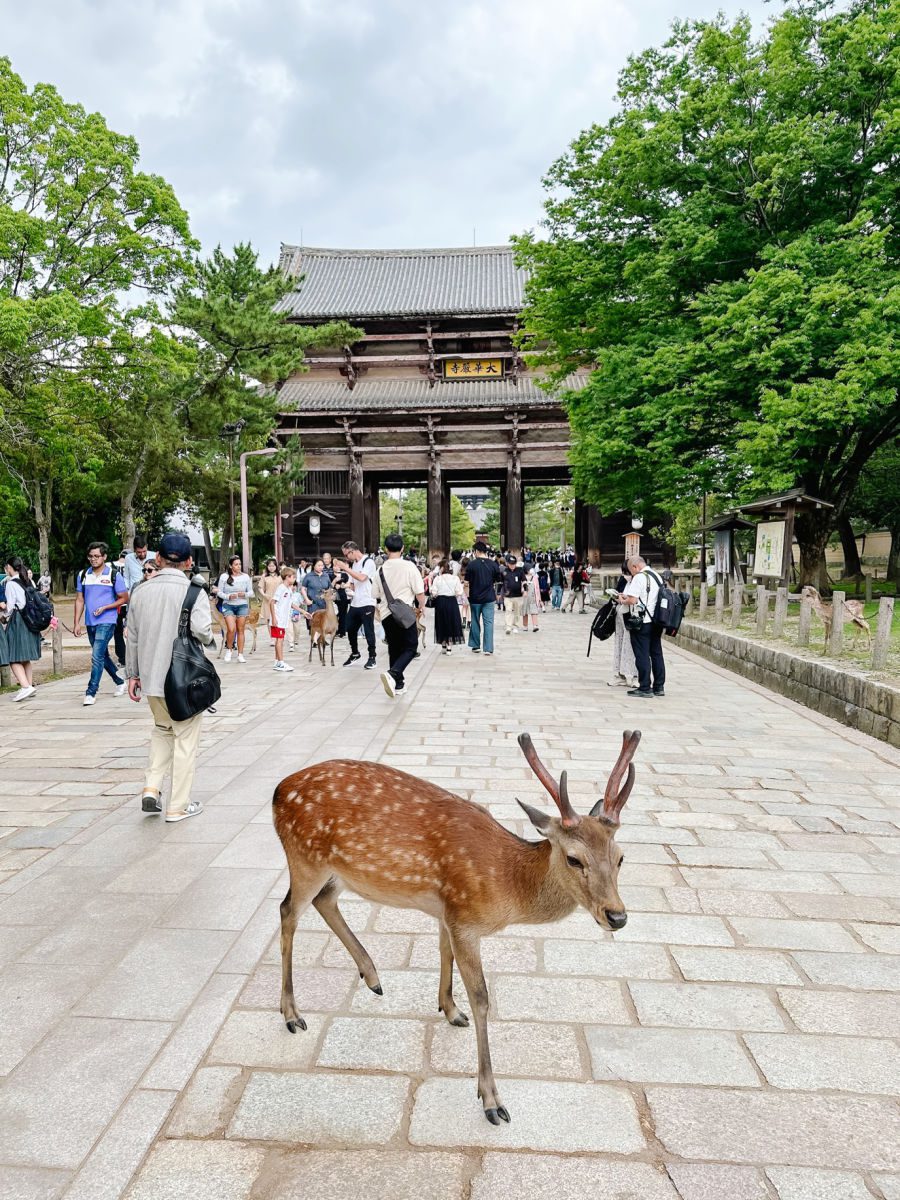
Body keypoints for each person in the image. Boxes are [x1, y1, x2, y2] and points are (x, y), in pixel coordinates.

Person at [126, 532, 213, 822]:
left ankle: (151, 787)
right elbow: (203, 632)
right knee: (185, 739)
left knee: (162, 730)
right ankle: (178, 805)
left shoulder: (140, 592)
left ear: (158, 559)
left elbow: (133, 638)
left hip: (150, 677)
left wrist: (132, 675)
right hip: (183, 681)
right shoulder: (194, 592)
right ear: (189, 561)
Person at [74, 542, 129, 706]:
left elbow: (124, 598)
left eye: (97, 556)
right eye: (91, 556)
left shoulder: (113, 575)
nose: (93, 559)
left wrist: (106, 607)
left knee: (96, 655)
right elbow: (79, 599)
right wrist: (76, 622)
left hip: (108, 620)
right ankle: (119, 681)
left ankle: (91, 692)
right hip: (90, 622)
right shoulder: (83, 575)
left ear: (104, 557)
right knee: (102, 656)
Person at [373, 532, 425, 698]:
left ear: (386, 548)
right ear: (402, 548)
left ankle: (398, 684)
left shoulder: (380, 570)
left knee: (394, 648)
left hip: (387, 614)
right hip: (405, 613)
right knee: (410, 647)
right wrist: (422, 606)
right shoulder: (409, 567)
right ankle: (393, 673)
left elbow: (376, 594)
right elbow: (419, 591)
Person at [617, 554, 665, 698]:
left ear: (635, 566)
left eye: (631, 570)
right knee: (656, 654)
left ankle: (645, 687)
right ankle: (659, 686)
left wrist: (621, 599)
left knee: (642, 654)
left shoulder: (639, 577)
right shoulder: (657, 576)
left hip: (642, 622)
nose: (631, 574)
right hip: (656, 621)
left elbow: (632, 600)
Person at [3, 556, 42, 702]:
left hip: (18, 621)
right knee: (25, 657)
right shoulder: (28, 580)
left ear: (9, 567)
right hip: (31, 621)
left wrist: (3, 614)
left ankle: (26, 687)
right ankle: (28, 685)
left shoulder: (11, 584)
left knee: (12, 656)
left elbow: (10, 607)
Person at [336, 540, 377, 670]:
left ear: (352, 551)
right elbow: (354, 583)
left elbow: (361, 578)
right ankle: (355, 653)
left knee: (368, 630)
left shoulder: (368, 562)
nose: (346, 558)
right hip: (355, 602)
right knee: (350, 628)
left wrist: (345, 568)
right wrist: (345, 586)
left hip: (367, 601)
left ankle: (372, 657)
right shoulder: (354, 565)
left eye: (346, 555)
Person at [463, 541, 500, 655]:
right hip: (489, 597)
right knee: (488, 623)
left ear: (476, 551)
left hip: (475, 597)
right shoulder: (494, 564)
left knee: (475, 621)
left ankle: (475, 645)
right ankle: (488, 648)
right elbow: (497, 581)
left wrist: (467, 596)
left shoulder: (472, 565)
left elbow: (466, 583)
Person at [217, 555, 253, 663]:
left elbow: (251, 593)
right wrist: (228, 597)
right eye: (236, 564)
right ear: (231, 566)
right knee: (231, 629)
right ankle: (229, 649)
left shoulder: (246, 577)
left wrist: (244, 594)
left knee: (240, 630)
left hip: (242, 605)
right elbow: (219, 592)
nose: (239, 566)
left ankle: (240, 654)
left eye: (240, 564)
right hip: (228, 604)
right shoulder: (224, 577)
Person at [609, 560, 638, 688]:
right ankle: (619, 675)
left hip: (632, 618)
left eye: (627, 572)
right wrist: (616, 597)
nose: (626, 575)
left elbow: (636, 600)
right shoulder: (623, 581)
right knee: (620, 645)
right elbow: (617, 595)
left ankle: (634, 676)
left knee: (631, 647)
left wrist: (625, 599)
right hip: (620, 617)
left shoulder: (638, 581)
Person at [430, 559, 464, 654]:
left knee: (441, 622)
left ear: (442, 568)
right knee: (451, 622)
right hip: (451, 601)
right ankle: (449, 647)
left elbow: (434, 592)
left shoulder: (438, 579)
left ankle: (443, 644)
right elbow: (460, 592)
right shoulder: (455, 578)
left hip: (440, 602)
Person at [270, 566, 297, 673]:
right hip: (278, 619)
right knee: (279, 641)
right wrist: (274, 618)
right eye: (293, 577)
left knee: (279, 640)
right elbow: (272, 602)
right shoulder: (281, 588)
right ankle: (281, 662)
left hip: (283, 620)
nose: (294, 579)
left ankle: (277, 661)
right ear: (287, 577)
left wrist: (303, 612)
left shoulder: (288, 589)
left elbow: (291, 604)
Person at [502, 554, 527, 634]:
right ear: (507, 563)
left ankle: (515, 626)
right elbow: (500, 582)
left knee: (517, 611)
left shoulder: (520, 570)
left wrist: (525, 590)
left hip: (518, 595)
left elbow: (524, 581)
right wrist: (499, 593)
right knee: (508, 610)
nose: (512, 565)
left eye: (514, 564)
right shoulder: (504, 571)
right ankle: (508, 627)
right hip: (507, 595)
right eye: (510, 564)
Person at [256, 559, 281, 636]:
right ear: (267, 567)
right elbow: (260, 587)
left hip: (278, 600)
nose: (271, 567)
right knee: (269, 619)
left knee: (278, 618)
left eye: (273, 565)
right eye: (269, 566)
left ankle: (278, 634)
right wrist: (264, 595)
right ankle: (272, 636)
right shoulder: (264, 576)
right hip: (268, 600)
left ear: (276, 566)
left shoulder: (280, 576)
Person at [522, 565, 543, 632]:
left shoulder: (535, 577)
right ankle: (525, 626)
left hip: (533, 597)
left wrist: (539, 597)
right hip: (524, 597)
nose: (531, 570)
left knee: (534, 611)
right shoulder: (522, 577)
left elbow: (537, 588)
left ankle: (535, 626)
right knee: (524, 612)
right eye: (530, 569)